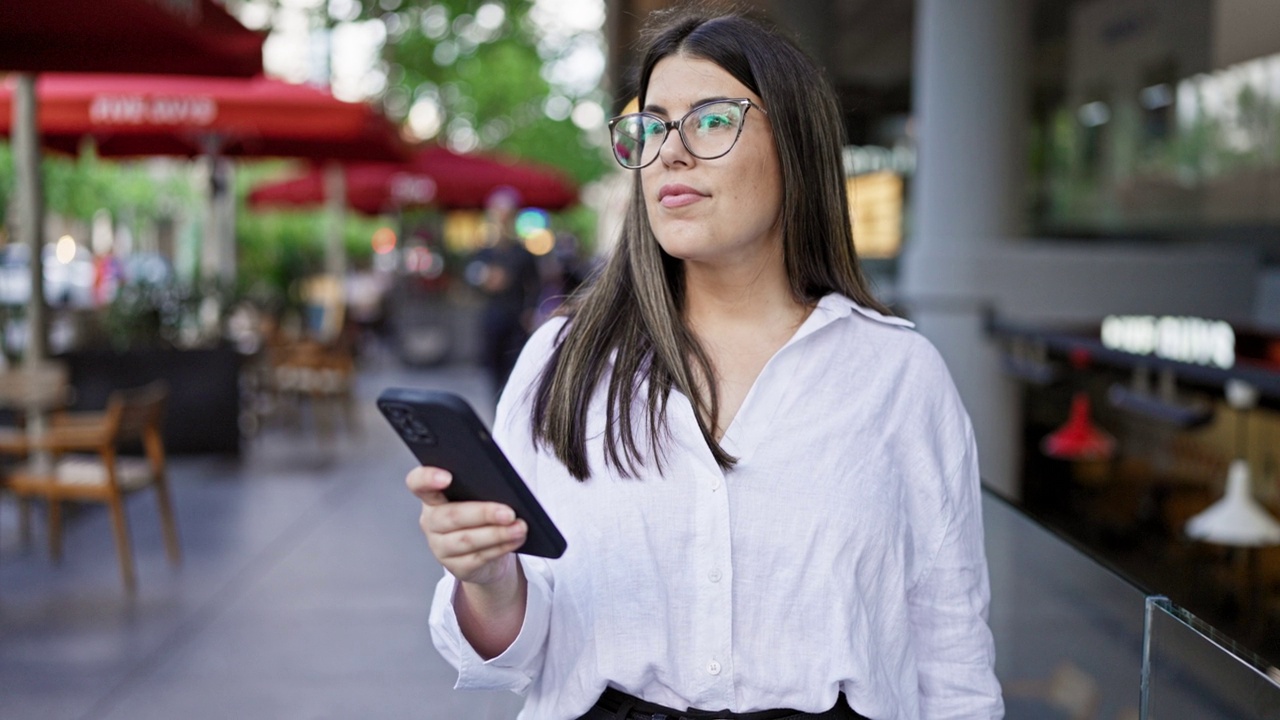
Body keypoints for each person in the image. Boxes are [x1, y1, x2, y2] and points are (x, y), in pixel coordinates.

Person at [407, 6, 1004, 720]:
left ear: (796, 144)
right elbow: (514, 657)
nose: (670, 153)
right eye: (650, 126)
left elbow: (952, 644)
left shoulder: (896, 374)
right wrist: (489, 578)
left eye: (711, 121)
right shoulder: (565, 363)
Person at [468, 186, 542, 398]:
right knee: (493, 371)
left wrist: (530, 310)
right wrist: (486, 281)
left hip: (515, 319)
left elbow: (535, 284)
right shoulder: (484, 252)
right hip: (492, 317)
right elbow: (471, 280)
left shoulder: (522, 253)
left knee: (513, 369)